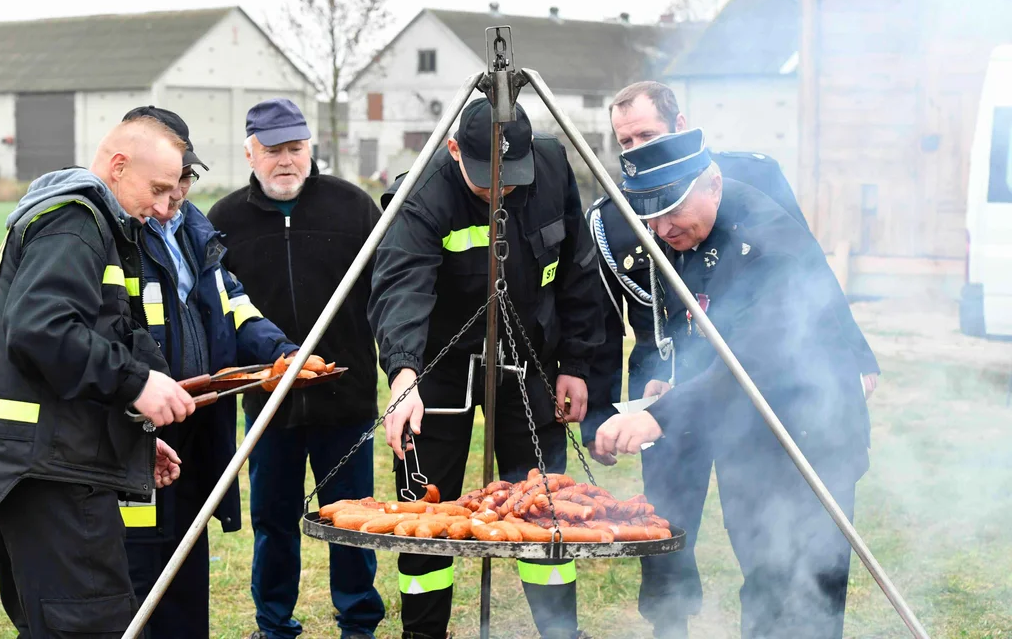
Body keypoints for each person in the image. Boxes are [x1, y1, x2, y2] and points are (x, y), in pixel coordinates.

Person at [586, 83, 875, 639]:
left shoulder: (768, 242)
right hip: (747, 432)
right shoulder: (685, 237)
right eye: (651, 222)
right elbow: (703, 340)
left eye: (671, 215)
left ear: (713, 183)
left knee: (810, 582)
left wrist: (659, 419)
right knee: (764, 579)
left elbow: (755, 359)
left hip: (812, 430)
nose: (662, 233)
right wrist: (670, 391)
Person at [0, 115, 198, 638]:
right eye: (156, 189)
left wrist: (129, 432)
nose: (161, 207)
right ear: (118, 165)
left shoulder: (85, 222)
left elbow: (79, 344)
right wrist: (137, 383)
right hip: (51, 475)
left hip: (45, 464)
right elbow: (41, 330)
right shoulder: (77, 222)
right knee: (88, 626)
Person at [369, 97, 603, 639]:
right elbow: (401, 285)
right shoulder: (423, 193)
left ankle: (559, 632)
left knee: (541, 503)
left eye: (511, 180)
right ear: (454, 150)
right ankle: (424, 633)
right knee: (428, 510)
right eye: (485, 181)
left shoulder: (550, 167)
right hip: (442, 364)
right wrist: (404, 375)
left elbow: (577, 270)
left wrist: (577, 364)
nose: (500, 192)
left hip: (532, 354)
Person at [116, 107, 300, 638]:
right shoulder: (120, 237)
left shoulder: (198, 236)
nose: (173, 199)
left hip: (196, 426)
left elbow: (235, 309)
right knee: (140, 569)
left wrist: (284, 352)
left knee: (187, 560)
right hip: (140, 427)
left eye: (185, 182)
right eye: (167, 185)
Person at [208, 98, 385, 639]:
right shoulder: (225, 220)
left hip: (346, 399)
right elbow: (217, 308)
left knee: (350, 519)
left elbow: (386, 292)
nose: (286, 161)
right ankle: (274, 623)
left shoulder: (353, 208)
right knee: (273, 520)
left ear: (311, 149)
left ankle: (358, 620)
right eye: (272, 151)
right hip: (268, 402)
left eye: (295, 149)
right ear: (249, 153)